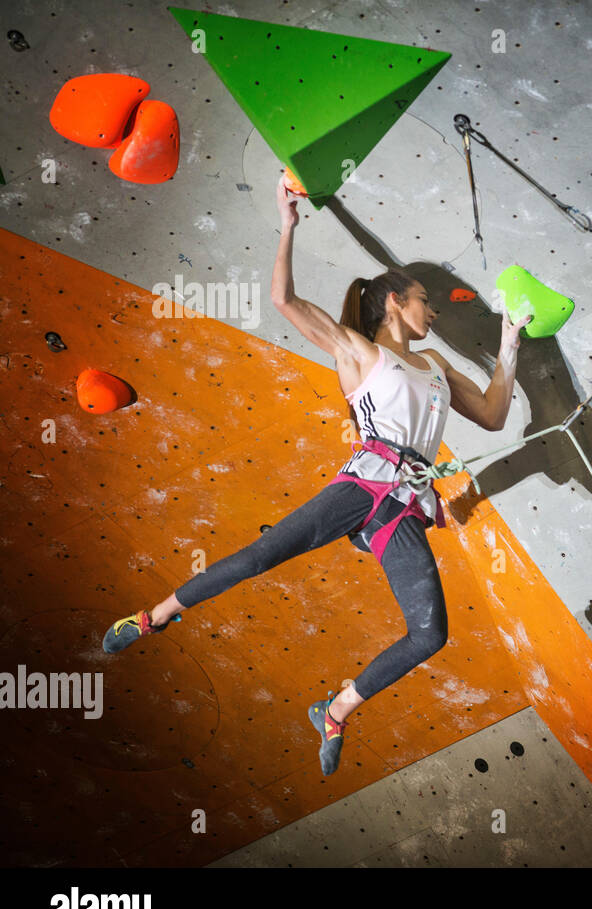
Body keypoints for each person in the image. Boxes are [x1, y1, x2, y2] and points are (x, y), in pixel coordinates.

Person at [102, 173, 531, 775]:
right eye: (424, 300)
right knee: (259, 558)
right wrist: (288, 225)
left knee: (430, 635)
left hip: (404, 506)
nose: (433, 310)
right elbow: (284, 301)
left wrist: (510, 344)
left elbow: (491, 414)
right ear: (394, 303)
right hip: (361, 487)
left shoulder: (434, 364)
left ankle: (335, 709)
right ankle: (152, 616)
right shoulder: (359, 351)